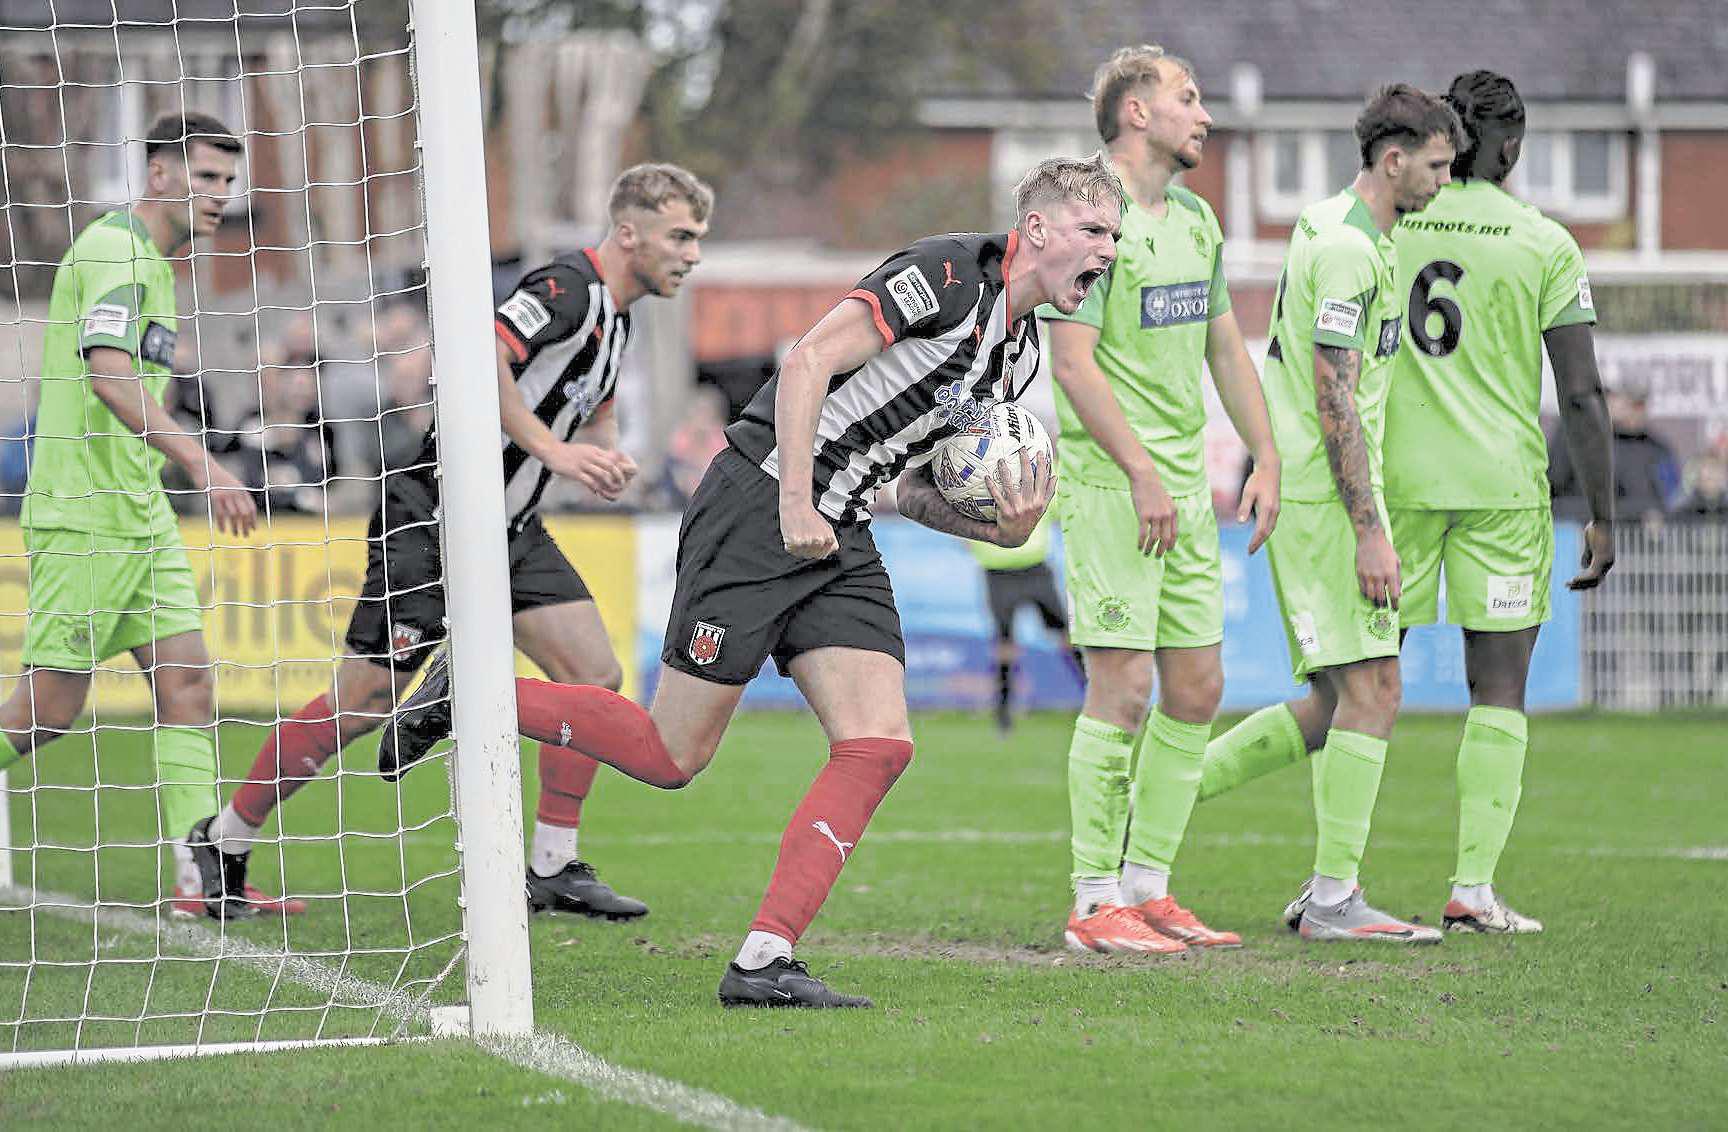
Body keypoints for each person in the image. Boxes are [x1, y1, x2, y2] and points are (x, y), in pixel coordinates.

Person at [377, 154, 1124, 1007]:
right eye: (1096, 231)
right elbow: (806, 360)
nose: (1109, 251)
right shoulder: (948, 275)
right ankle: (471, 693)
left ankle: (764, 961)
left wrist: (999, 525)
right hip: (759, 501)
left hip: (838, 529)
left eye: (1116, 236)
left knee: (879, 744)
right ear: (1037, 230)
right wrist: (799, 502)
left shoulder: (1016, 365)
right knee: (670, 756)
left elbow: (908, 485)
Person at [196, 163, 714, 921]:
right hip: (434, 512)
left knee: (594, 675)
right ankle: (227, 835)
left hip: (511, 526)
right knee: (364, 703)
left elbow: (592, 403)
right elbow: (477, 358)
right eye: (681, 235)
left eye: (698, 238)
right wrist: (556, 451)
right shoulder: (565, 290)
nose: (692, 254)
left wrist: (600, 450)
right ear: (629, 232)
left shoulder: (619, 317)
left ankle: (552, 866)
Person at [0, 112, 280, 919]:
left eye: (229, 180)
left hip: (138, 508)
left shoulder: (155, 262)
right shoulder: (118, 248)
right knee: (48, 711)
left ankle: (202, 881)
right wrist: (205, 463)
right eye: (205, 177)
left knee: (188, 684)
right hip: (84, 512)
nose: (221, 195)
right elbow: (110, 377)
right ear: (159, 175)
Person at [1197, 85, 1460, 943]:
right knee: (1376, 689)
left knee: (1329, 703)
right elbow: (1333, 396)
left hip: (1317, 490)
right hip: (1325, 500)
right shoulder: (1347, 249)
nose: (1444, 182)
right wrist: (1370, 528)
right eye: (1436, 165)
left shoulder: (1325, 225)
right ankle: (1333, 898)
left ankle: (1157, 800)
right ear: (1394, 160)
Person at [1041, 45, 1279, 955]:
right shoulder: (1081, 216)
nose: (1204, 114)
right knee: (1125, 685)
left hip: (1181, 487)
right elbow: (1073, 363)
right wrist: (1141, 471)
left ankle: (1150, 887)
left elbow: (1226, 348)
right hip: (1112, 484)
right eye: (1188, 97)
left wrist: (1266, 455)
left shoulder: (1195, 220)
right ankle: (1093, 898)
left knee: (1197, 685)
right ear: (1136, 111)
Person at [966, 507, 1079, 734]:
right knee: (1005, 644)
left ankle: (1096, 697)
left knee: (1066, 635)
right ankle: (1004, 712)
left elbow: (1064, 509)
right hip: (998, 572)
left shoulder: (1037, 478)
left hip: (1035, 568)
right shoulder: (978, 485)